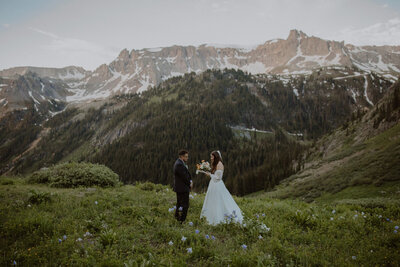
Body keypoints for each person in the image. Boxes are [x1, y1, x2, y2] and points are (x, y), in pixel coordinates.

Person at [200, 150, 244, 225]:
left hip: (217, 185)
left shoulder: (219, 164)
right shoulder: (216, 164)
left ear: (215, 157)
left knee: (219, 200)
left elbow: (218, 178)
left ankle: (220, 217)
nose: (211, 158)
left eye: (212, 156)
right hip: (213, 184)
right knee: (212, 199)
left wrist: (209, 175)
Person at [173, 149, 193, 224]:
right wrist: (190, 183)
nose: (187, 158)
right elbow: (184, 177)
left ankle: (177, 218)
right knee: (184, 205)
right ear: (182, 156)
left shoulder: (180, 163)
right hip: (182, 188)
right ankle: (181, 220)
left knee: (180, 204)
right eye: (186, 157)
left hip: (181, 188)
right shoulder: (179, 164)